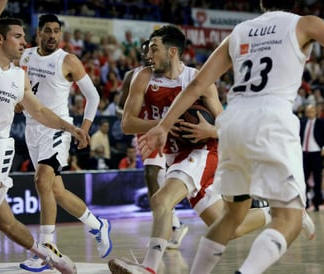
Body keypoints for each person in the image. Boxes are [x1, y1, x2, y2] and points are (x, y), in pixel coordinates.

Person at [138, 0, 324, 272]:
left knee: (231, 216)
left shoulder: (240, 30)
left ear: (262, 2)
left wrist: (163, 125)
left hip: (233, 123)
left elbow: (197, 84)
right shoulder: (304, 24)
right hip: (271, 119)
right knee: (289, 219)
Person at [108, 25, 274, 274]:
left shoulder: (198, 80)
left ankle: (149, 269)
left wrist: (210, 131)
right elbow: (128, 123)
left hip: (204, 150)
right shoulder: (143, 77)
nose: (148, 54)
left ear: (172, 52)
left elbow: (225, 124)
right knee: (227, 228)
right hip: (175, 157)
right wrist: (163, 125)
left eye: (155, 49)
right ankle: (279, 213)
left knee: (161, 199)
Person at [0, 1, 88, 273]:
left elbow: (41, 111)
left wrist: (71, 127)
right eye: (18, 36)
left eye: (24, 37)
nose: (25, 42)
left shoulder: (21, 76)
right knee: (7, 222)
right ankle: (48, 256)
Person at [18, 13, 111, 272]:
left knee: (41, 181)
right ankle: (98, 225)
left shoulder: (68, 60)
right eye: (47, 30)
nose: (52, 36)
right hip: (32, 128)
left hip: (57, 129)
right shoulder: (25, 55)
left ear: (60, 34)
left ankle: (46, 249)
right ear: (38, 33)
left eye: (56, 31)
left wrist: (83, 129)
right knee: (55, 192)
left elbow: (92, 97)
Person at [117, 39, 190, 249]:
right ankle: (173, 225)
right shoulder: (133, 76)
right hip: (144, 128)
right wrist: (131, 116)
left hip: (167, 127)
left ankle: (171, 224)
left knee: (157, 175)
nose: (147, 56)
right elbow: (118, 108)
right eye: (144, 52)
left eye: (151, 51)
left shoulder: (173, 74)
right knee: (153, 176)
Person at [300, 104, 324, 211]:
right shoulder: (302, 123)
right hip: (304, 153)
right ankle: (305, 202)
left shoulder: (321, 123)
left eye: (312, 110)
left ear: (315, 111)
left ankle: (317, 203)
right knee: (303, 179)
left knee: (318, 178)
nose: (310, 113)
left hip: (316, 153)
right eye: (308, 111)